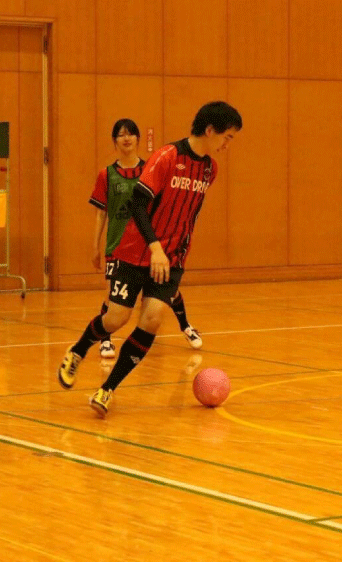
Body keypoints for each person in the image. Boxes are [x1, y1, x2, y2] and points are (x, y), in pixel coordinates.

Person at [57, 101, 243, 417]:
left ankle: (107, 390)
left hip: (172, 259)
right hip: (136, 251)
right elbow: (138, 206)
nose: (227, 144)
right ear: (210, 130)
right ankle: (78, 350)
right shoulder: (167, 157)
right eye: (227, 136)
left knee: (153, 319)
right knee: (116, 319)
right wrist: (155, 247)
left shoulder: (210, 169)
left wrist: (170, 253)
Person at [90, 119, 203, 359]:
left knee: (167, 290)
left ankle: (185, 325)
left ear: (138, 139)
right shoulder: (107, 174)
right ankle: (105, 340)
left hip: (149, 242)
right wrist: (95, 246)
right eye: (121, 135)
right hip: (117, 243)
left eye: (131, 134)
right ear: (114, 141)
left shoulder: (150, 168)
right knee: (113, 294)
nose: (126, 138)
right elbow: (101, 213)